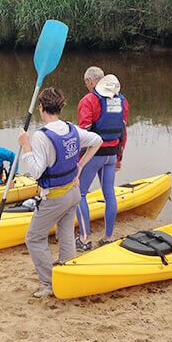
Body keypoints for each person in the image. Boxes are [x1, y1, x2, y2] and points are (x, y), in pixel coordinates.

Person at [18, 88, 103, 297]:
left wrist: (26, 146)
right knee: (65, 234)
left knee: (34, 239)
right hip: (74, 193)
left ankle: (51, 283)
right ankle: (68, 275)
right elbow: (98, 141)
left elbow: (36, 170)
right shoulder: (71, 128)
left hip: (55, 198)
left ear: (41, 108)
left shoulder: (40, 137)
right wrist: (80, 166)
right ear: (60, 107)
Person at [75, 69, 129, 251]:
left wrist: (79, 161)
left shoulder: (88, 100)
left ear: (89, 81)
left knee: (80, 194)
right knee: (109, 194)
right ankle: (108, 237)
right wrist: (119, 157)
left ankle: (84, 239)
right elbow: (123, 132)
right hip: (112, 155)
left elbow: (84, 134)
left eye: (86, 83)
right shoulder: (121, 100)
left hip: (93, 156)